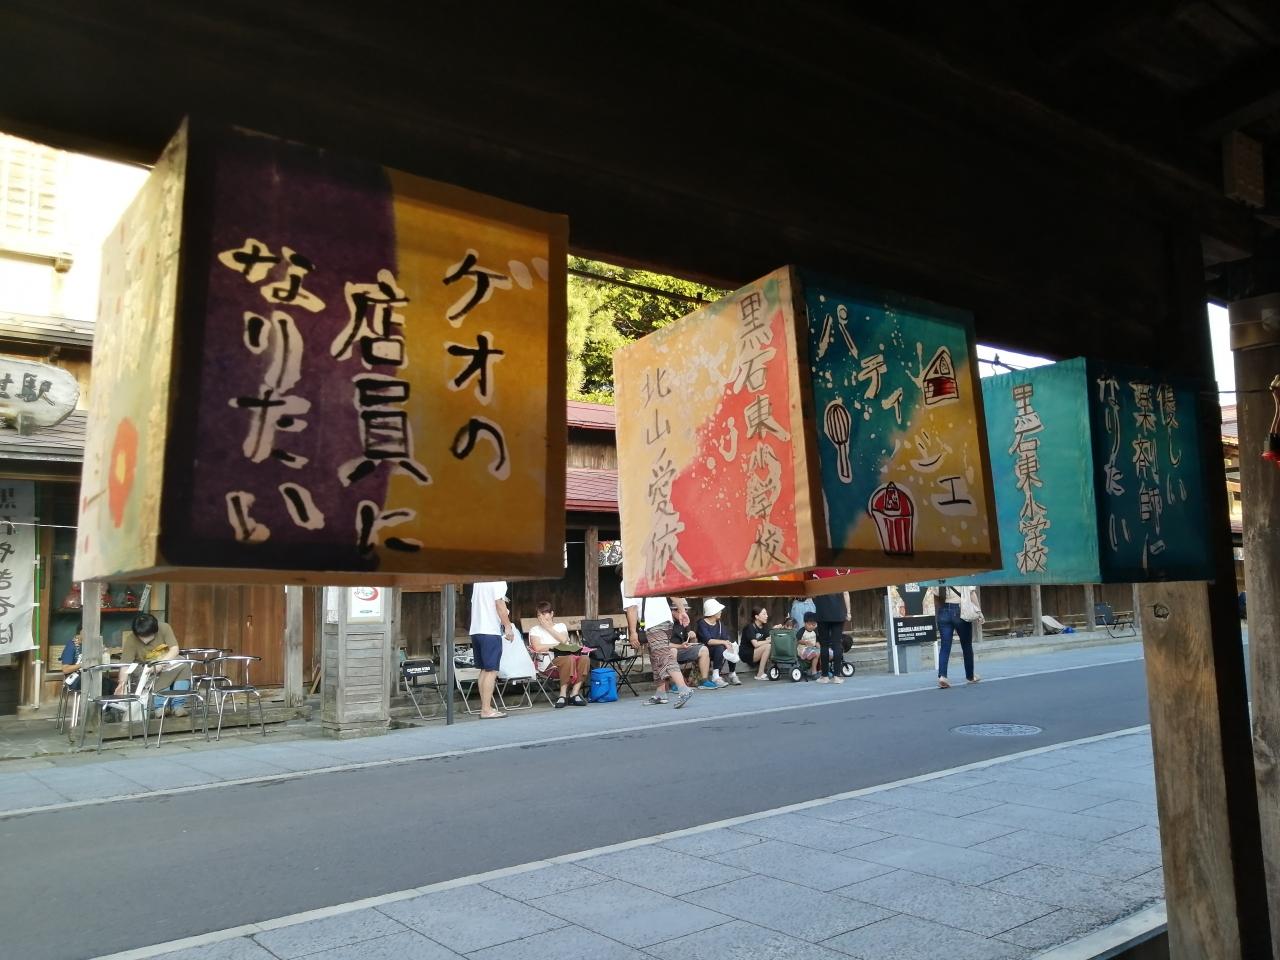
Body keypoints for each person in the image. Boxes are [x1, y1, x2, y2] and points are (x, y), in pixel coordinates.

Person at [622, 581, 694, 709]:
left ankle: (684, 689)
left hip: (653, 623)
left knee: (664, 656)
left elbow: (632, 608)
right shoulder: (653, 574)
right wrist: (682, 610)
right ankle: (661, 693)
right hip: (666, 621)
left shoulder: (628, 581)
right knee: (656, 657)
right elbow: (671, 591)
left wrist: (632, 632)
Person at [527, 601, 591, 707]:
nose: (541, 617)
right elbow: (537, 647)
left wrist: (548, 628)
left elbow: (563, 639)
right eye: (539, 615)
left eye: (544, 614)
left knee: (585, 659)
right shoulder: (535, 630)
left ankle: (574, 694)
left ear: (552, 614)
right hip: (549, 664)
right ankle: (562, 695)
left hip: (567, 660)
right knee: (568, 659)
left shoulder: (561, 626)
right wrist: (556, 646)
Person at [119, 613, 186, 711]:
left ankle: (178, 705)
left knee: (184, 666)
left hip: (165, 662)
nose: (144, 640)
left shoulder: (164, 628)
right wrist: (121, 683)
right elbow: (125, 665)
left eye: (147, 635)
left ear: (155, 630)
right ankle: (160, 706)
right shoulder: (131, 639)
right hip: (145, 668)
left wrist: (160, 663)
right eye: (141, 636)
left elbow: (174, 649)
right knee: (161, 672)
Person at [470, 580, 513, 718]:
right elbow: (499, 604)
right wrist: (508, 626)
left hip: (476, 629)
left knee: (484, 670)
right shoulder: (498, 581)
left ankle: (485, 707)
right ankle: (486, 710)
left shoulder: (478, 581)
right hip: (490, 630)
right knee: (491, 670)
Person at [930, 583, 982, 688]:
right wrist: (979, 612)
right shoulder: (962, 575)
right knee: (966, 645)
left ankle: (942, 676)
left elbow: (936, 597)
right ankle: (970, 676)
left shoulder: (939, 577)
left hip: (943, 611)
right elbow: (972, 593)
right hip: (960, 610)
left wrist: (940, 612)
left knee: (945, 646)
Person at [696, 598, 738, 687]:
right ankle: (715, 676)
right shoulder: (702, 623)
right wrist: (724, 642)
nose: (721, 612)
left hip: (718, 649)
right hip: (706, 650)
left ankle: (732, 673)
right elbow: (709, 641)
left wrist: (728, 643)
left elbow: (725, 637)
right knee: (720, 647)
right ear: (713, 612)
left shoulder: (719, 623)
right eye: (719, 610)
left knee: (731, 646)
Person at [670, 598, 712, 687]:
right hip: (669, 651)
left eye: (686, 610)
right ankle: (675, 684)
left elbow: (689, 642)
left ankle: (704, 680)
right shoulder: (667, 622)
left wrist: (693, 637)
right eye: (684, 610)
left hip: (682, 649)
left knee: (704, 649)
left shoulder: (683, 621)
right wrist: (680, 646)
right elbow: (664, 644)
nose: (685, 613)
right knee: (673, 651)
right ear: (674, 610)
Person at [811, 590, 848, 684]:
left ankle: (825, 676)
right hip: (838, 612)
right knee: (837, 644)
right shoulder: (840, 579)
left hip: (823, 613)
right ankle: (837, 677)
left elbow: (813, 594)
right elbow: (845, 593)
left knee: (824, 645)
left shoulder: (817, 581)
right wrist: (849, 612)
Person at [740, 605, 774, 680]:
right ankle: (760, 674)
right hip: (746, 653)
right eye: (764, 614)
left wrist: (774, 631)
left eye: (766, 614)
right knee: (768, 646)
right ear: (757, 616)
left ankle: (769, 670)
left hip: (756, 651)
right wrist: (768, 641)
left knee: (770, 645)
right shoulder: (750, 627)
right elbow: (755, 644)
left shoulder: (764, 627)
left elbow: (768, 638)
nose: (767, 616)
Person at [796, 612, 822, 678]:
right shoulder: (802, 631)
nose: (811, 626)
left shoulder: (814, 631)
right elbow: (797, 640)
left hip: (811, 650)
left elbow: (816, 641)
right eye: (809, 624)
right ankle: (814, 672)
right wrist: (804, 642)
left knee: (821, 652)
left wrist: (819, 646)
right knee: (817, 653)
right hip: (803, 651)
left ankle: (820, 670)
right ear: (804, 623)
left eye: (813, 625)